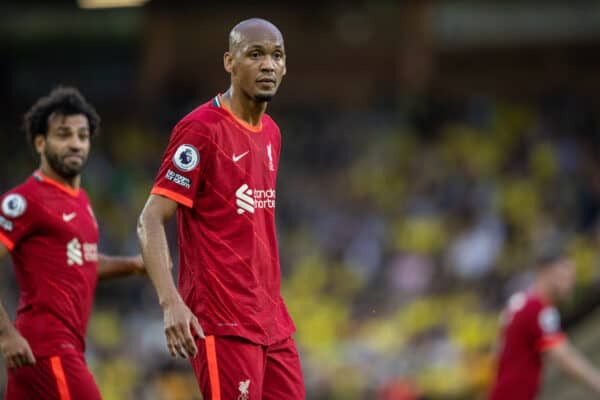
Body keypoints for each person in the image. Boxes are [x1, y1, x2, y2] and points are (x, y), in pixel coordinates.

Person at [138, 18, 305, 399]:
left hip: (272, 321)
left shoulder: (272, 133)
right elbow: (150, 218)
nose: (268, 65)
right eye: (255, 54)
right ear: (229, 62)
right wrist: (171, 303)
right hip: (223, 319)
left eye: (276, 56)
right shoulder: (201, 130)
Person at [0, 86, 144, 399]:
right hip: (49, 347)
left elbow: (79, 263)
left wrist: (132, 266)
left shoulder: (80, 201)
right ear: (41, 142)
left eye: (82, 135)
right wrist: (5, 334)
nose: (75, 143)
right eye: (64, 134)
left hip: (52, 350)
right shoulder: (25, 200)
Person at [489, 239, 600, 399]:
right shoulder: (539, 310)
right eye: (565, 276)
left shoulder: (519, 302)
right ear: (546, 272)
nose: (570, 283)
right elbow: (564, 357)